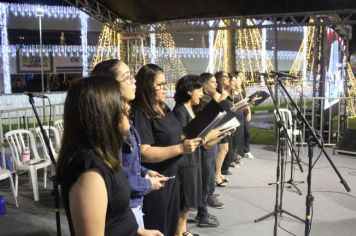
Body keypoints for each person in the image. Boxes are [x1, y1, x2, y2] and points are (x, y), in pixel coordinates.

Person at [56, 76, 162, 236]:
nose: (128, 107)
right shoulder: (90, 174)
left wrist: (138, 231)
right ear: (104, 111)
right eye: (122, 102)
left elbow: (114, 218)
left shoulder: (106, 155)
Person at [91, 59, 166, 228]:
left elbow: (129, 163)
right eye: (127, 78)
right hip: (124, 208)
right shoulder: (109, 130)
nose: (134, 82)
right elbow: (118, 178)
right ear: (109, 87)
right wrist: (148, 184)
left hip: (134, 203)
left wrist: (145, 171)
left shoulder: (125, 120)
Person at [132, 64, 201, 236]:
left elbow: (176, 134)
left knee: (171, 226)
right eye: (160, 85)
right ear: (147, 86)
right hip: (155, 181)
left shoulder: (163, 107)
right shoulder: (141, 112)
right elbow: (145, 152)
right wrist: (180, 147)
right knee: (158, 227)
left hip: (172, 177)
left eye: (165, 83)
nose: (165, 88)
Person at [235, 71, 255, 159]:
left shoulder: (243, 89)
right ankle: (239, 152)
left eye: (242, 77)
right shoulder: (234, 90)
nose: (241, 78)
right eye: (239, 77)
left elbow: (246, 102)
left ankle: (246, 150)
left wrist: (249, 112)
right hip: (238, 112)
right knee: (239, 133)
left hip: (245, 111)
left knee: (247, 131)